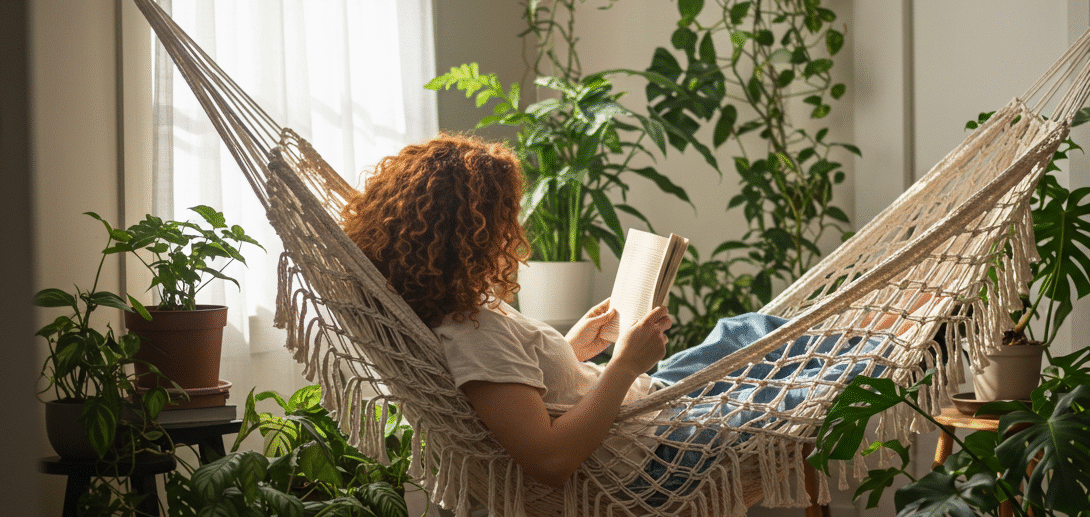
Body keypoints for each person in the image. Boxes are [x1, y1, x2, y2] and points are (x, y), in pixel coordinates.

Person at [343, 134, 892, 490]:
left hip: (644, 410)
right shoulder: (473, 332)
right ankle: (906, 337)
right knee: (801, 389)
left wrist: (576, 347)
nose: (515, 230)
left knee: (744, 332)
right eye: (506, 215)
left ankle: (891, 330)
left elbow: (531, 393)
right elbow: (551, 459)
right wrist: (626, 365)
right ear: (470, 230)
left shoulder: (460, 315)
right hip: (653, 452)